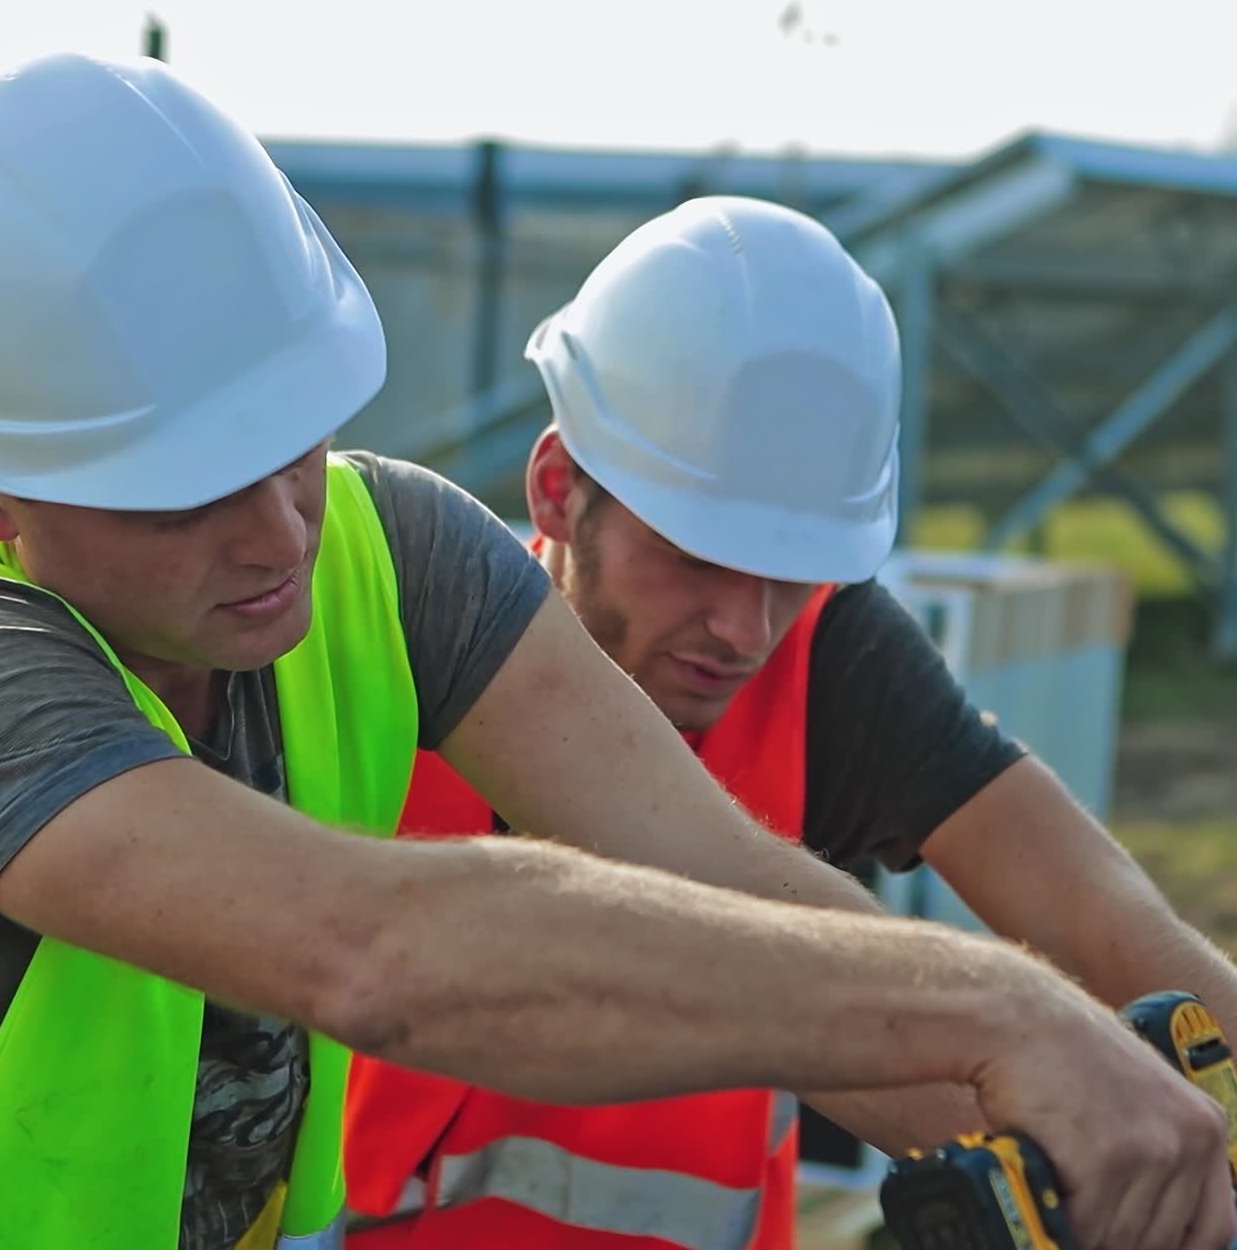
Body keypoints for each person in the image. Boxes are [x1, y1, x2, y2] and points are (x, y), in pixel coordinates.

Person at [0, 53, 1230, 1250]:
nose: (280, 529)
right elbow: (370, 948)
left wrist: (1095, 1136)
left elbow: (735, 885)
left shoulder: (391, 551)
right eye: (182, 492)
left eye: (293, 437)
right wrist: (995, 1009)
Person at [343, 196, 1237, 1250]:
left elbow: (1102, 915)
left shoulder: (826, 658)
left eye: (789, 568)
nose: (745, 627)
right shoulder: (385, 650)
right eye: (698, 555)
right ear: (554, 490)